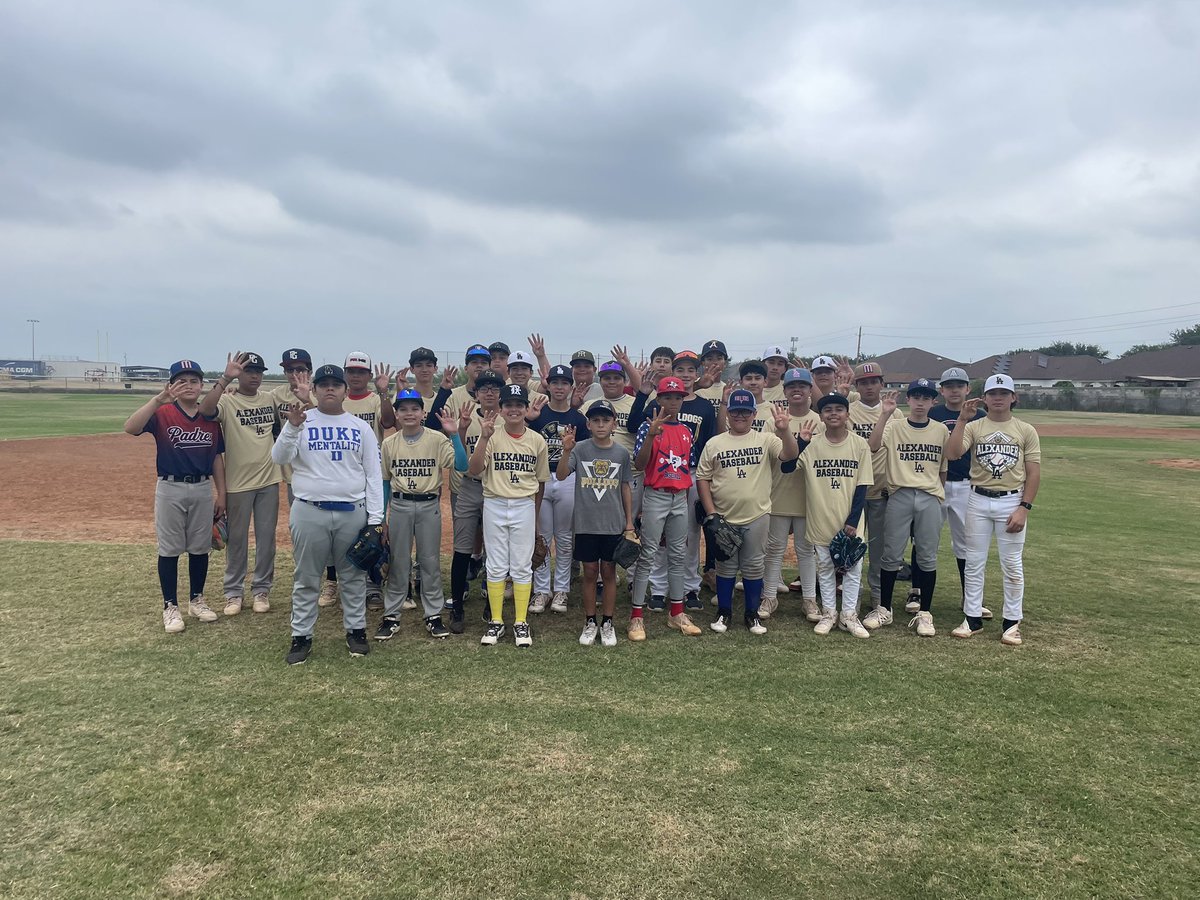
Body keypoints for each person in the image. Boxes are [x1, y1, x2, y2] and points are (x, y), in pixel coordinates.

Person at [272, 365, 384, 664]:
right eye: (324, 385)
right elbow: (279, 458)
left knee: (353, 576)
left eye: (336, 384)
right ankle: (301, 636)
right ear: (315, 390)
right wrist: (292, 427)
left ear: (346, 391)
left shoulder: (360, 427)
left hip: (351, 511)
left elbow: (373, 475)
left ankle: (356, 630)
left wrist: (375, 520)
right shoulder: (301, 421)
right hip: (310, 510)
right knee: (307, 577)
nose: (330, 389)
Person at [125, 360, 227, 634]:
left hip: (202, 487)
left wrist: (222, 493)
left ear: (202, 385)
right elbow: (131, 427)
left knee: (199, 547)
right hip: (170, 487)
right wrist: (158, 399)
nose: (189, 386)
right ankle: (170, 605)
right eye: (181, 381)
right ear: (172, 385)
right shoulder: (163, 413)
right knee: (169, 549)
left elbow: (217, 457)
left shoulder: (210, 416)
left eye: (194, 381)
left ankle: (197, 599)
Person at [946, 374, 1041, 646]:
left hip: (1011, 500)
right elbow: (953, 453)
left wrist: (1024, 508)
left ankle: (1011, 622)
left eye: (1004, 393)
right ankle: (972, 618)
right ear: (984, 398)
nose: (998, 398)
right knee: (974, 562)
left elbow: (1033, 473)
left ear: (1013, 397)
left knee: (1012, 563)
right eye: (992, 393)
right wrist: (962, 420)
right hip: (977, 498)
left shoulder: (1025, 430)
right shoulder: (975, 426)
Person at [696, 389, 798, 635]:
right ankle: (724, 612)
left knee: (753, 567)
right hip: (724, 517)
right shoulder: (715, 442)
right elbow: (703, 478)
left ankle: (752, 615)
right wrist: (711, 514)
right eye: (735, 411)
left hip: (757, 515)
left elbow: (790, 455)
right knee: (725, 567)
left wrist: (784, 431)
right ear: (728, 414)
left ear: (754, 414)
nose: (740, 416)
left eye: (745, 411)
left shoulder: (765, 439)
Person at [627, 351, 717, 612]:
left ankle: (684, 598)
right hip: (656, 489)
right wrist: (652, 436)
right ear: (660, 398)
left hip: (682, 487)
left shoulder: (688, 428)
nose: (673, 401)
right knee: (652, 547)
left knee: (683, 544)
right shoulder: (650, 423)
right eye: (667, 396)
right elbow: (641, 464)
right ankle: (653, 593)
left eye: (677, 397)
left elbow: (692, 460)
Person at [376, 389, 469, 641]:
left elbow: (461, 465)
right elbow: (385, 481)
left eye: (414, 408)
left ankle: (433, 616)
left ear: (422, 412)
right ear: (396, 413)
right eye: (403, 409)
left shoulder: (436, 439)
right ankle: (391, 616)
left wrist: (454, 435)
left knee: (429, 562)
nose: (409, 413)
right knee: (399, 562)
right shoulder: (389, 443)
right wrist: (382, 518)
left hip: (428, 505)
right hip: (400, 505)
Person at [199, 351, 281, 616]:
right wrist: (225, 378)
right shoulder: (228, 401)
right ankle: (233, 593)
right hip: (238, 483)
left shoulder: (270, 399)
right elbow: (205, 410)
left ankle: (261, 590)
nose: (255, 376)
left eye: (258, 371)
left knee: (266, 538)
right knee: (236, 540)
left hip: (268, 480)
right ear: (240, 373)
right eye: (248, 371)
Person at [864, 379, 949, 635]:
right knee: (891, 554)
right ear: (908, 400)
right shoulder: (895, 426)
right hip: (900, 494)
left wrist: (936, 494)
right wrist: (884, 414)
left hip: (929, 495)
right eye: (916, 397)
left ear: (934, 401)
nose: (921, 402)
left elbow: (942, 469)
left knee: (926, 555)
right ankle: (884, 609)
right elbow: (873, 445)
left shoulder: (941, 430)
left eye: (926, 397)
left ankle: (925, 613)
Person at [469, 383, 550, 648]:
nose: (513, 409)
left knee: (521, 565)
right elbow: (475, 469)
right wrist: (483, 437)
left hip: (523, 505)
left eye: (518, 405)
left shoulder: (537, 440)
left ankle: (520, 622)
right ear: (500, 409)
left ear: (527, 409)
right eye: (508, 405)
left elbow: (540, 483)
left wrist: (535, 517)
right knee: (495, 564)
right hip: (494, 502)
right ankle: (495, 621)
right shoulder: (491, 435)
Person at [795, 393, 874, 638]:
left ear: (847, 414)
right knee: (826, 567)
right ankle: (829, 613)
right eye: (828, 409)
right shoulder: (813, 444)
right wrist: (800, 443)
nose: (833, 413)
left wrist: (852, 520)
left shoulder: (859, 444)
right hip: (821, 516)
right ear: (821, 416)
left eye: (839, 409)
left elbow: (863, 485)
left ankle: (849, 615)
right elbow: (788, 467)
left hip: (850, 518)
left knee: (853, 567)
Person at [557, 400, 635, 647]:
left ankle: (608, 622)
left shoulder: (621, 453)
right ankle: (590, 621)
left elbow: (625, 488)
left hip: (612, 523)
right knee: (589, 572)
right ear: (588, 424)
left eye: (606, 420)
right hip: (586, 523)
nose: (601, 425)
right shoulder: (579, 449)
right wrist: (566, 451)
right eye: (596, 420)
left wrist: (629, 522)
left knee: (609, 572)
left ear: (614, 424)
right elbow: (560, 475)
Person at [527, 365, 590, 614]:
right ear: (549, 385)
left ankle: (561, 589)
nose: (560, 387)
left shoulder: (577, 418)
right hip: (540, 478)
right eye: (555, 383)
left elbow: (584, 452)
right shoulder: (538, 414)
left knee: (564, 538)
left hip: (568, 479)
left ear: (571, 387)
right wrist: (529, 420)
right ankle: (542, 590)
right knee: (542, 536)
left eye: (565, 383)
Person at [760, 367, 822, 621]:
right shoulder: (773, 418)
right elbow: (767, 455)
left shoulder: (819, 420)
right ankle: (769, 596)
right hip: (779, 491)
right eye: (792, 386)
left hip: (809, 494)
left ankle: (809, 599)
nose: (797, 390)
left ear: (810, 390)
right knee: (774, 548)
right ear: (784, 391)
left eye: (803, 386)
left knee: (806, 549)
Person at [446, 370, 505, 632]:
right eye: (484, 388)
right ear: (476, 393)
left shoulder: (510, 419)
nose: (489, 392)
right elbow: (459, 457)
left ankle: (492, 605)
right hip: (470, 487)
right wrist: (459, 428)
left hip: (497, 488)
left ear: (500, 393)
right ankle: (457, 604)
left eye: (494, 387)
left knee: (495, 549)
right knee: (462, 548)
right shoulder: (466, 419)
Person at [929, 366, 990, 619]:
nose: (954, 390)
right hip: (936, 481)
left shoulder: (980, 415)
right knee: (926, 538)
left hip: (966, 483)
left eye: (959, 385)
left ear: (968, 389)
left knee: (966, 543)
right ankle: (917, 591)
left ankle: (971, 596)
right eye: (949, 386)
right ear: (942, 390)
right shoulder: (934, 412)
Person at [337, 352, 396, 610]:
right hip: (344, 475)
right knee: (343, 531)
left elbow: (388, 421)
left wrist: (384, 393)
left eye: (361, 372)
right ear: (345, 374)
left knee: (374, 529)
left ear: (369, 376)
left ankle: (373, 587)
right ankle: (342, 584)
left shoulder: (375, 400)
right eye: (351, 371)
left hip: (373, 475)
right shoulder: (338, 400)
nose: (356, 376)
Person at [847, 362, 903, 610]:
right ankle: (853, 592)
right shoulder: (847, 411)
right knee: (852, 546)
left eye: (873, 381)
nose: (869, 386)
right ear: (856, 386)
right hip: (853, 490)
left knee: (879, 548)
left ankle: (878, 596)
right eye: (863, 382)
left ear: (882, 383)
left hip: (882, 489)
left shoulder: (896, 414)